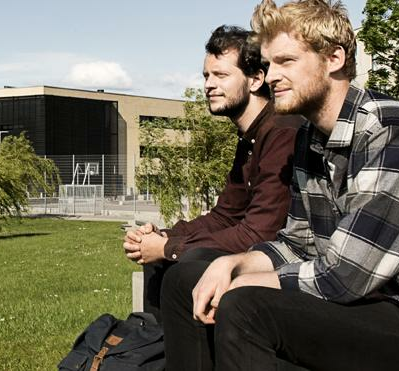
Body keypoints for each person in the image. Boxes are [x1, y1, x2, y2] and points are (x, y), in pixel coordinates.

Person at [171, 1, 399, 370]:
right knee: (186, 279)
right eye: (269, 63)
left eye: (286, 61)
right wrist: (233, 264)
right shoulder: (310, 139)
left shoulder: (390, 129)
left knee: (246, 307)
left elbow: (348, 274)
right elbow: (297, 243)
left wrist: (242, 281)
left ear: (334, 58)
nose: (271, 75)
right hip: (368, 308)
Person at [124, 24, 303, 322]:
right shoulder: (249, 138)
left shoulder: (281, 131)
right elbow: (225, 215)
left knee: (182, 265)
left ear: (256, 79)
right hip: (257, 250)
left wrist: (169, 248)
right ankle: (154, 351)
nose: (208, 84)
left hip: (282, 262)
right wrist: (164, 236)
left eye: (221, 75)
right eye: (206, 76)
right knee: (159, 261)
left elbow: (259, 232)